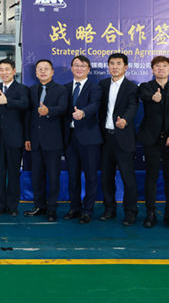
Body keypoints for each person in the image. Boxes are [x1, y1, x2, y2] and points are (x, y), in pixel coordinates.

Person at [137, 56, 169, 229]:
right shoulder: (146, 87)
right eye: (157, 66)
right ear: (152, 70)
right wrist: (153, 97)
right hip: (151, 138)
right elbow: (144, 95)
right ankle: (150, 214)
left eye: (164, 66)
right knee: (151, 176)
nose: (161, 69)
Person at [98, 53, 139, 226]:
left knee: (128, 178)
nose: (114, 67)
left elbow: (133, 106)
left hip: (123, 138)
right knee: (106, 177)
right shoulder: (102, 85)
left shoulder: (131, 87)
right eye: (112, 63)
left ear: (125, 67)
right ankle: (109, 209)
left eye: (118, 64)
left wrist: (125, 120)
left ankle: (130, 212)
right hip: (105, 138)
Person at [25, 59, 68, 222]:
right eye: (39, 69)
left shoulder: (61, 90)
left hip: (53, 141)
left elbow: (63, 108)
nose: (43, 72)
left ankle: (51, 209)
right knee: (37, 176)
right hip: (35, 141)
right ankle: (39, 206)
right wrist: (27, 137)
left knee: (53, 177)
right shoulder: (32, 90)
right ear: (36, 73)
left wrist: (48, 110)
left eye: (46, 69)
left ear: (52, 72)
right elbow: (28, 115)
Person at [0, 58, 29, 217]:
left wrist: (8, 101)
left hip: (15, 137)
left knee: (13, 173)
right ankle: (0, 205)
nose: (4, 72)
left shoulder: (22, 89)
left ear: (13, 71)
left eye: (7, 69)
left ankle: (12, 206)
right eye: (1, 70)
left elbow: (25, 105)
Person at [62, 55, 102, 224]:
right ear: (71, 68)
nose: (79, 68)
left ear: (88, 69)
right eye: (76, 65)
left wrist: (83, 112)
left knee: (91, 176)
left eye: (83, 66)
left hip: (89, 138)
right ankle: (75, 208)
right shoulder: (64, 88)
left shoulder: (95, 88)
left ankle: (87, 210)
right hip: (70, 138)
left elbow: (95, 105)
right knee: (73, 176)